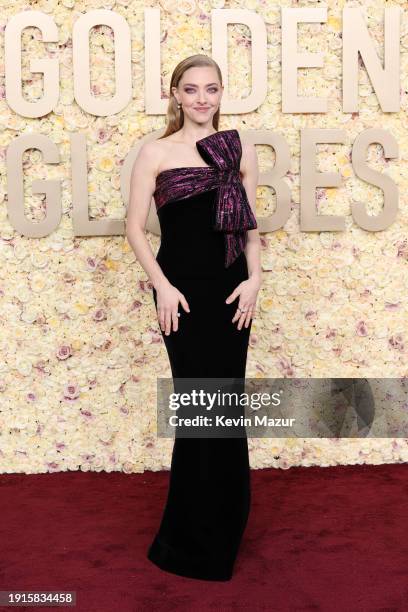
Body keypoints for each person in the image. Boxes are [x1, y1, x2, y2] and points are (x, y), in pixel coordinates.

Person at [126, 54, 262, 581]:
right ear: (176, 95)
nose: (202, 98)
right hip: (179, 294)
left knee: (225, 405)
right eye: (191, 89)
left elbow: (250, 228)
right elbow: (135, 228)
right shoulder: (155, 152)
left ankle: (225, 528)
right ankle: (186, 538)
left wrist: (255, 280)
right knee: (196, 406)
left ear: (221, 94)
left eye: (211, 89)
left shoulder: (238, 149)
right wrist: (161, 285)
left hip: (232, 292)